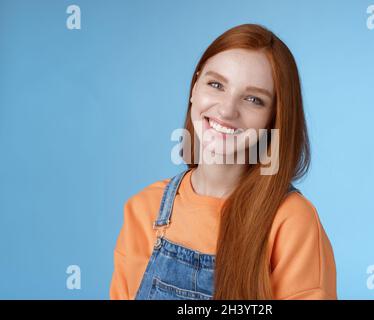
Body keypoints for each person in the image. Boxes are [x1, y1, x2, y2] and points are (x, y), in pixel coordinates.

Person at [110, 23, 337, 300]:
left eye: (254, 99)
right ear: (195, 87)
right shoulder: (144, 209)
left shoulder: (291, 221)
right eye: (216, 84)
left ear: (273, 118)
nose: (227, 110)